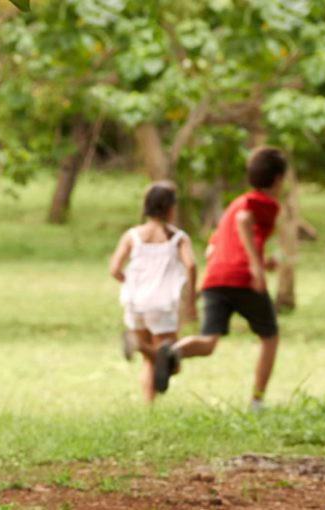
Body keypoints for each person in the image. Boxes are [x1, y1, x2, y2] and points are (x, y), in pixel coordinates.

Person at [153, 147, 286, 412]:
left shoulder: (234, 203)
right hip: (243, 278)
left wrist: (260, 260)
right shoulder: (263, 203)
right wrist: (256, 268)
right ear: (279, 179)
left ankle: (174, 351)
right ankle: (257, 401)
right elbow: (244, 221)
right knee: (269, 338)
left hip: (215, 278)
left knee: (208, 342)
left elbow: (212, 249)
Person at [109, 181, 197, 402]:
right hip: (162, 304)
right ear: (170, 208)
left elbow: (114, 269)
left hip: (135, 301)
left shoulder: (133, 235)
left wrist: (128, 282)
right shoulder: (178, 238)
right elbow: (192, 265)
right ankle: (138, 346)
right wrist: (191, 298)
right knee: (172, 363)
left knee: (151, 360)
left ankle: (149, 406)